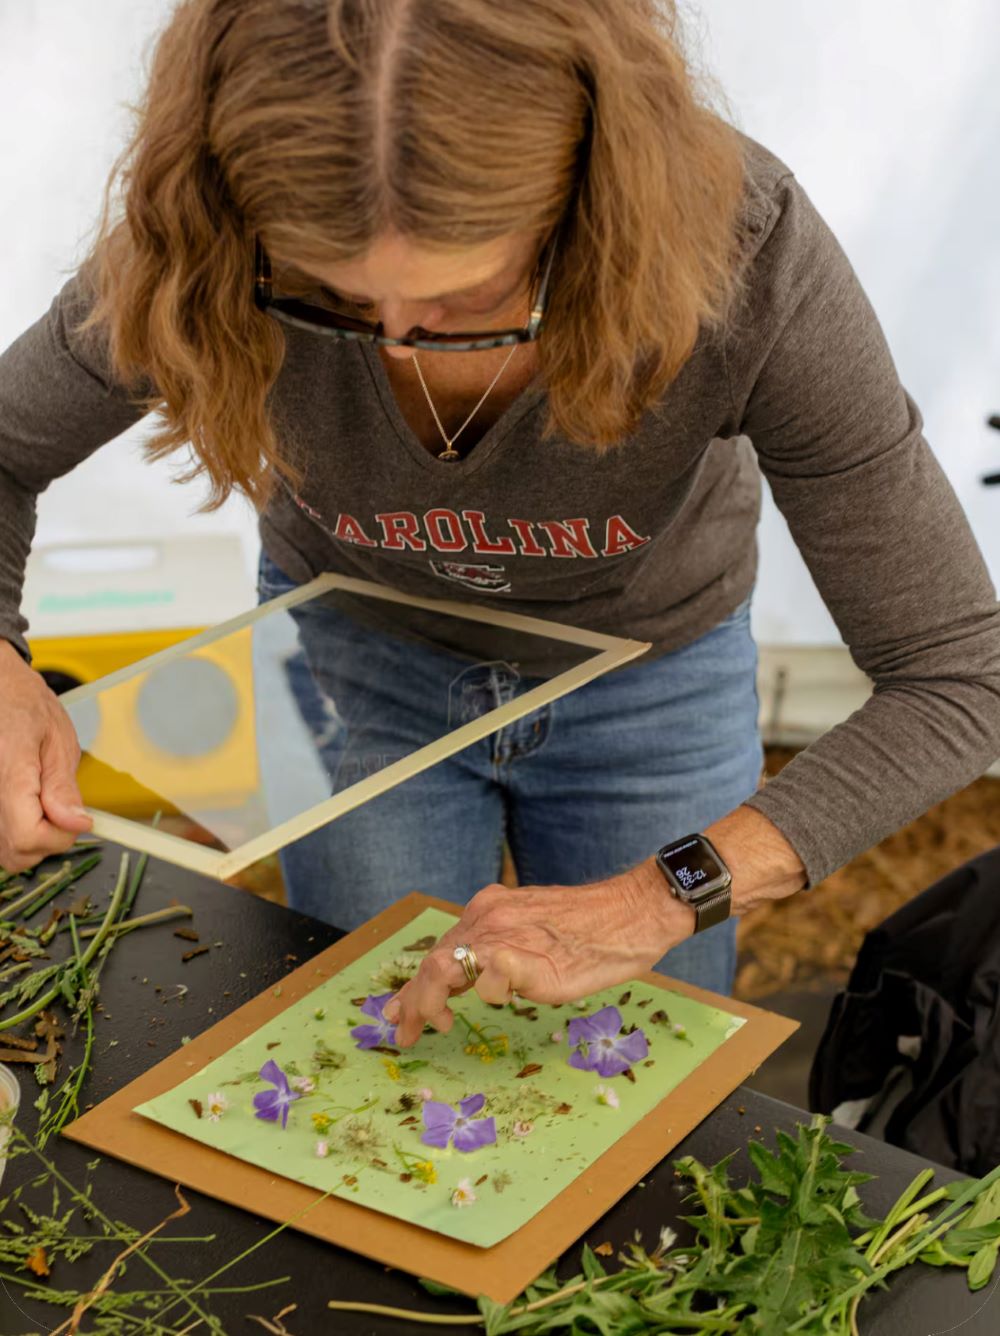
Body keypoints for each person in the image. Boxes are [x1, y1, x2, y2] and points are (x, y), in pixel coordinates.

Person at [1, 0, 998, 1047]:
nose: (398, 340)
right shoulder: (200, 244)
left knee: (636, 1059)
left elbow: (957, 673)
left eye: (470, 297)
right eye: (330, 295)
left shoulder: (743, 255)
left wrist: (662, 895)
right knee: (373, 1047)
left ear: (590, 204)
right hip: (354, 659)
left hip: (651, 673)